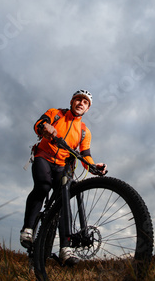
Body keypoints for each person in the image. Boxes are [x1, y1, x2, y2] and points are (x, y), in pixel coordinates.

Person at [20, 89, 107, 265]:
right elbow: (38, 124)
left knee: (63, 203)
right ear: (71, 102)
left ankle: (65, 249)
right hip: (44, 156)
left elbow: (85, 154)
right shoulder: (56, 113)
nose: (81, 103)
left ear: (87, 109)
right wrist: (45, 127)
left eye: (85, 102)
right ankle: (28, 229)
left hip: (64, 166)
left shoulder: (84, 131)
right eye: (78, 100)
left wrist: (94, 166)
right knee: (43, 187)